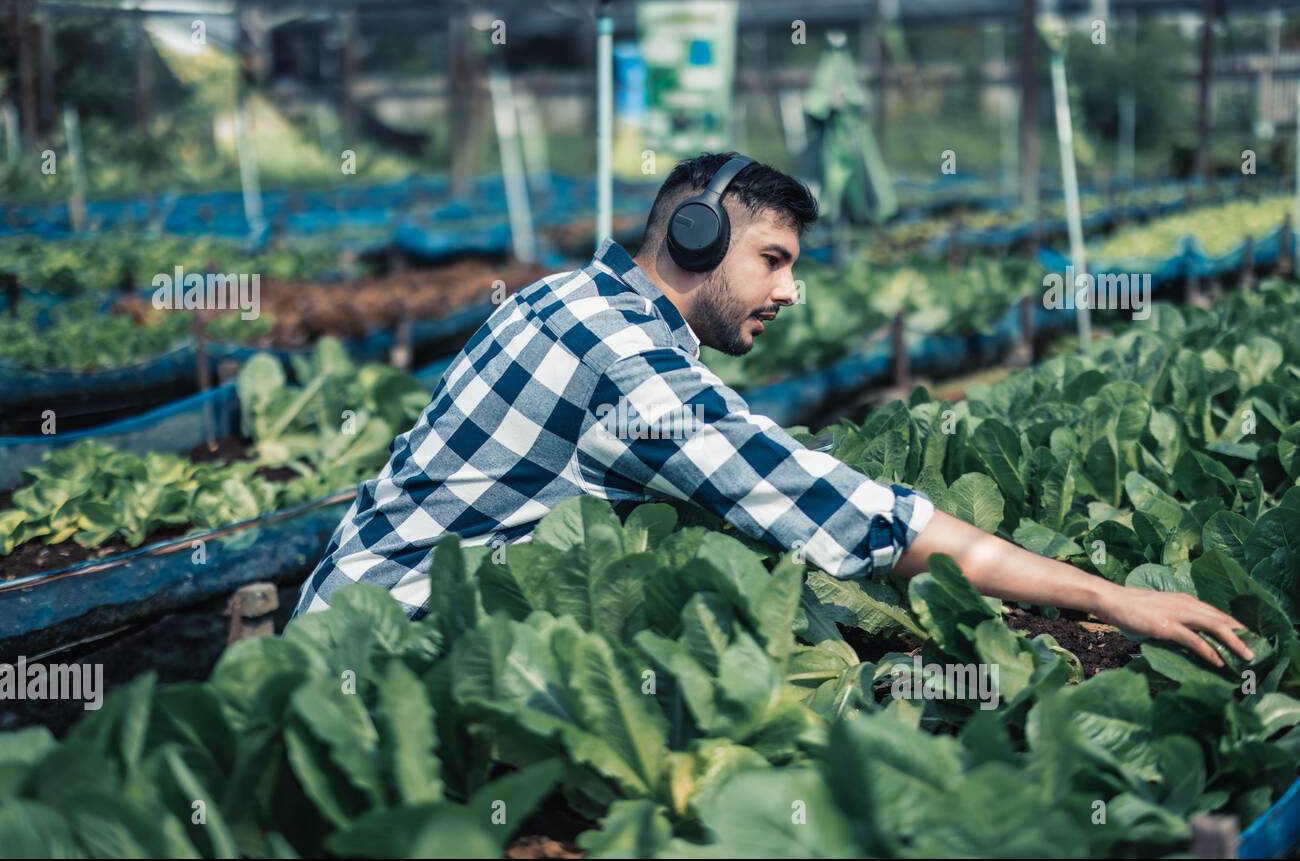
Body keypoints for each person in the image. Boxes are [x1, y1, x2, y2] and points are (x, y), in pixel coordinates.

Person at [292, 152, 1252, 669]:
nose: (791, 293)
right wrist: (1108, 595)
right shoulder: (629, 362)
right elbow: (840, 510)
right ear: (696, 237)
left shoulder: (569, 297)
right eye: (775, 259)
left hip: (357, 621)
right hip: (382, 653)